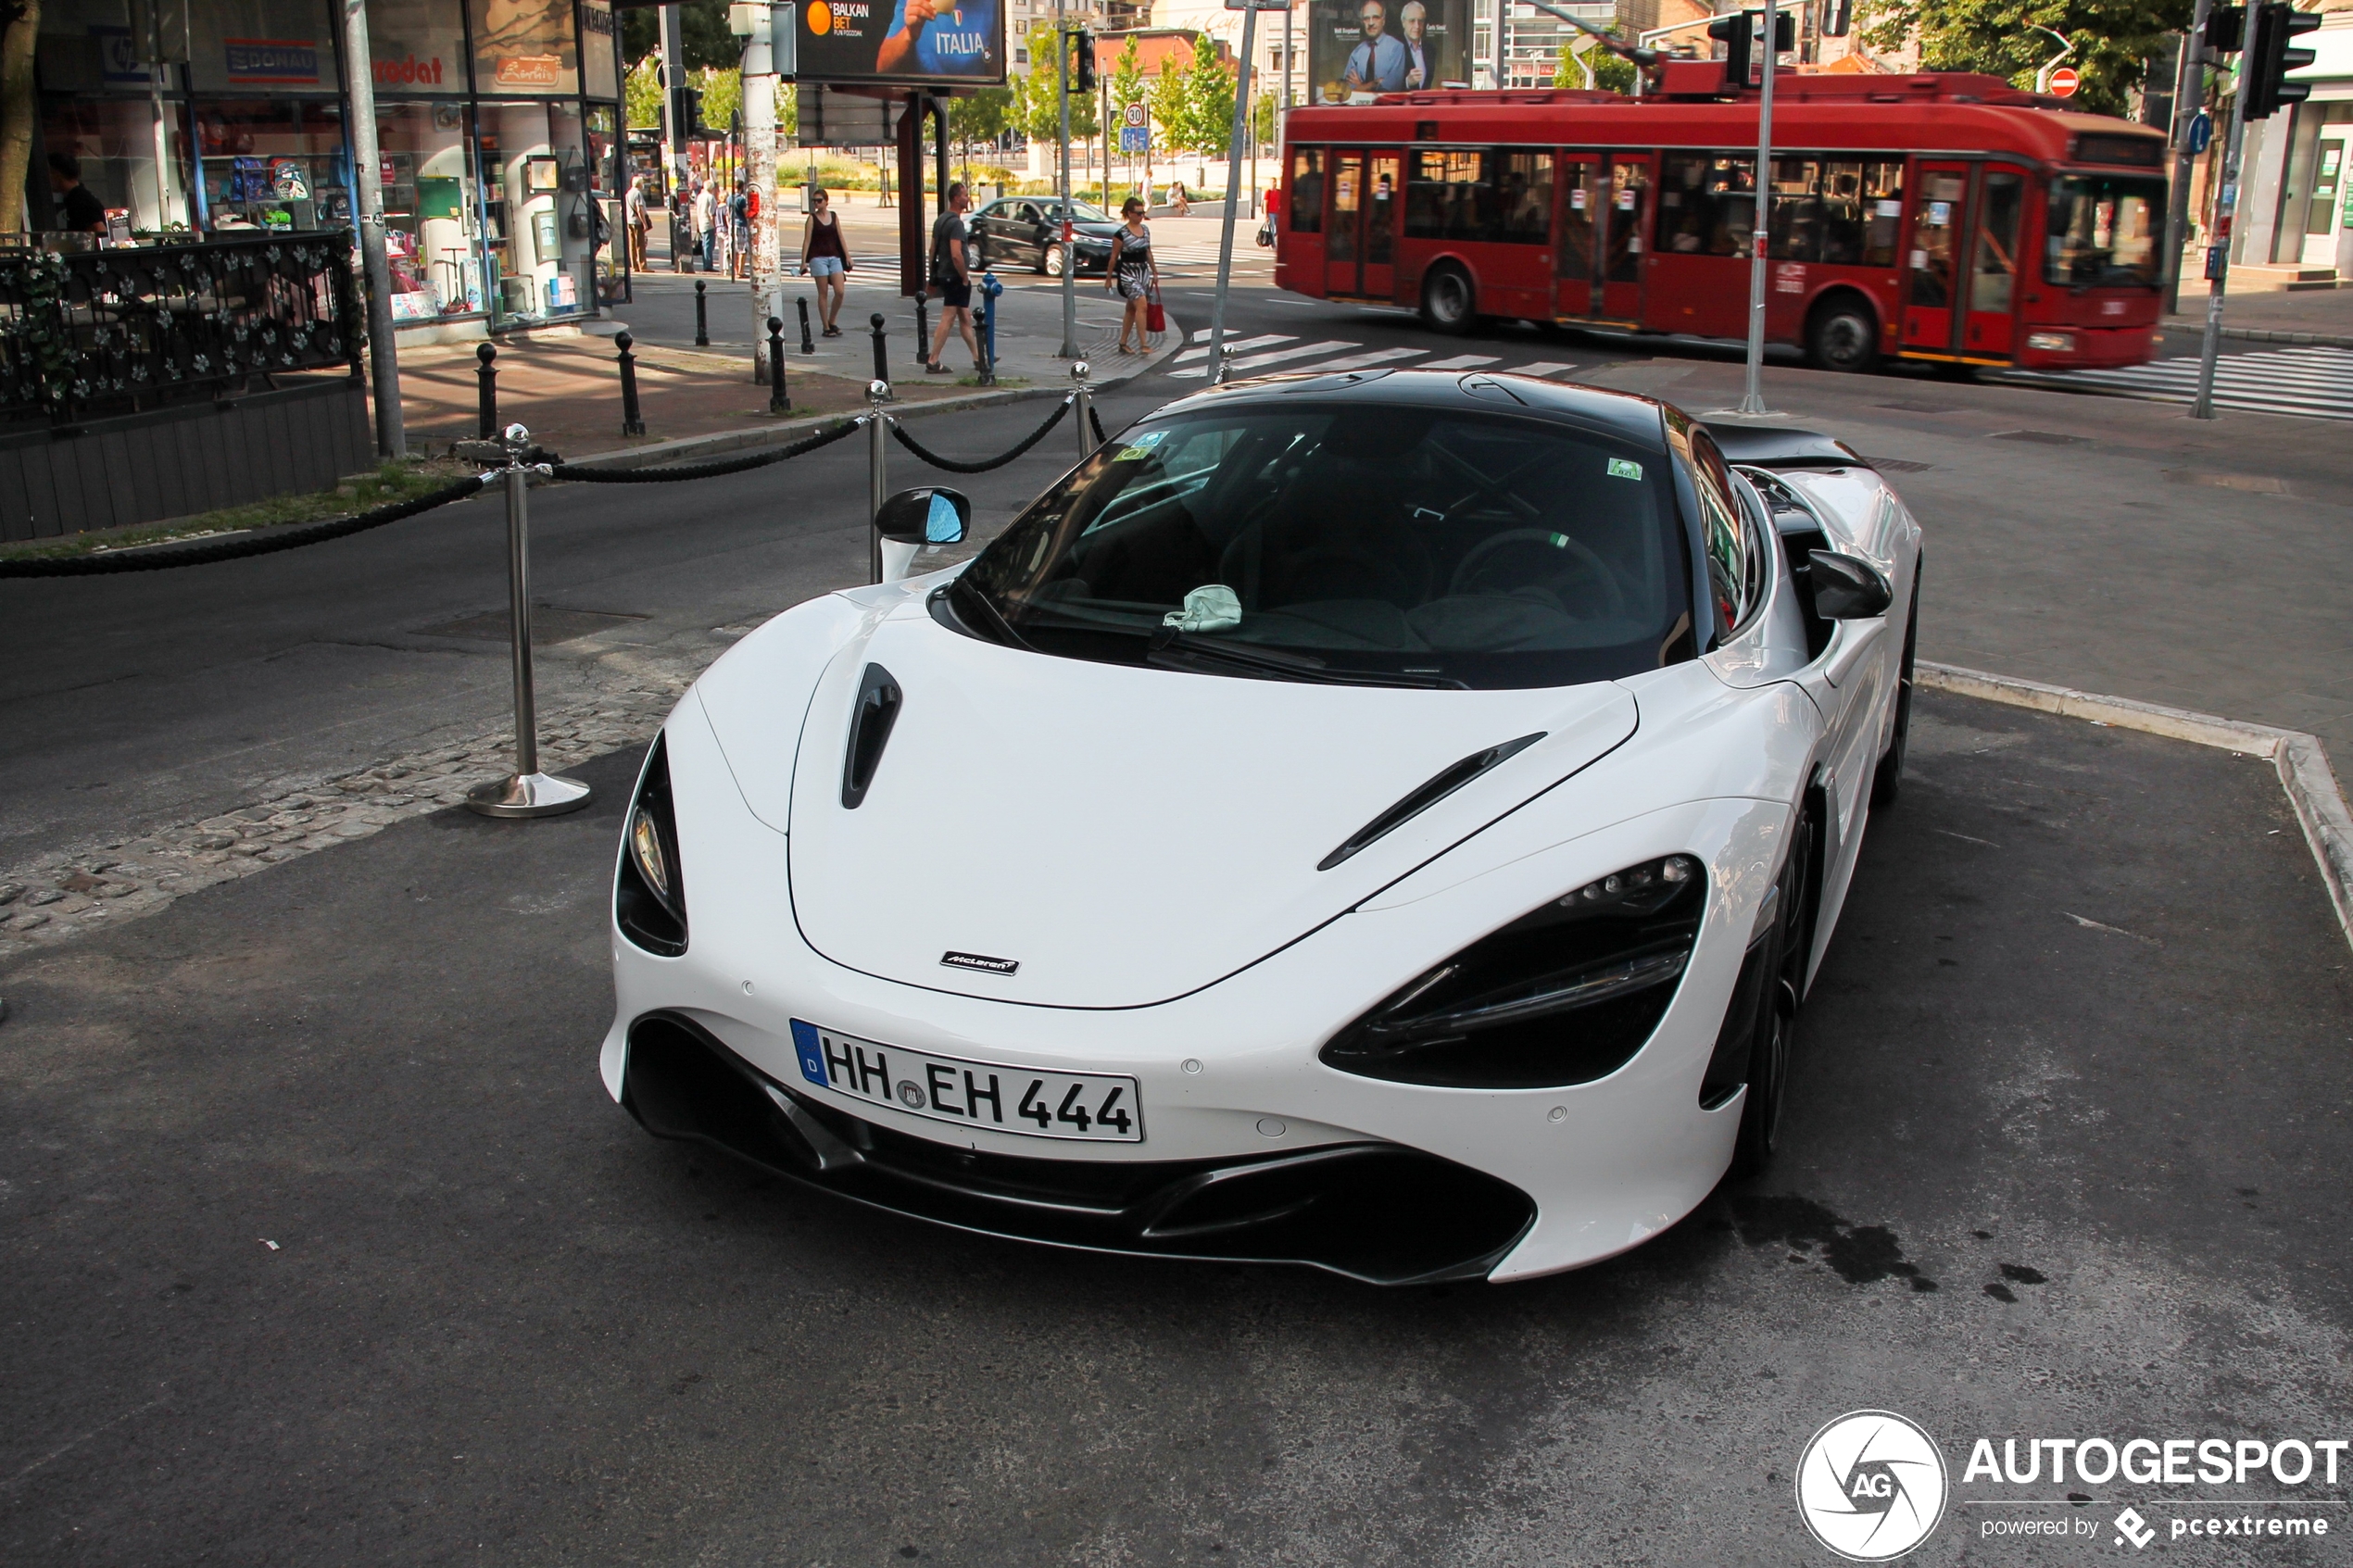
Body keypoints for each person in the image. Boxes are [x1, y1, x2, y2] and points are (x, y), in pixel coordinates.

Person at [924, 181, 981, 375]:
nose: (968, 198)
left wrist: (933, 274)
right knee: (948, 318)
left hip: (945, 274)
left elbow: (932, 249)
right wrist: (964, 276)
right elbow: (957, 254)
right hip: (955, 276)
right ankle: (933, 359)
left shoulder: (941, 220)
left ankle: (978, 357)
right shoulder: (956, 223)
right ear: (957, 198)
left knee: (965, 316)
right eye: (965, 195)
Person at [1105, 195, 1158, 355]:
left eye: (1143, 213)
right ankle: (1144, 344)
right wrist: (1108, 279)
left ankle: (1123, 343)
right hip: (1128, 273)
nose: (1141, 216)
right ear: (1129, 213)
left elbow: (1148, 252)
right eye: (1138, 213)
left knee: (1131, 309)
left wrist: (1154, 271)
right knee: (1142, 306)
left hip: (1143, 272)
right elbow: (1114, 257)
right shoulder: (1121, 234)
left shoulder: (1146, 231)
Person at [799, 186, 853, 336]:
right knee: (823, 293)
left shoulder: (834, 216)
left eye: (819, 200)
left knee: (840, 291)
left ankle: (832, 320)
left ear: (826, 202)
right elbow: (807, 241)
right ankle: (826, 326)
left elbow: (840, 237)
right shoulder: (812, 219)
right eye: (814, 201)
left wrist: (847, 256)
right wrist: (804, 261)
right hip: (818, 258)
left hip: (834, 257)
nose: (816, 203)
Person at [1343, 1, 1409, 94]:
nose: (1371, 23)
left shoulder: (1396, 48)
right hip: (1360, 108)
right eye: (1366, 18)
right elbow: (1347, 90)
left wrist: (1361, 87)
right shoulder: (1356, 53)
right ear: (1363, 22)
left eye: (1375, 17)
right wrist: (1374, 84)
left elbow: (1391, 87)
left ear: (1383, 20)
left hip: (1386, 108)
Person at [47, 154, 106, 234]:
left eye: (48, 173)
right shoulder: (75, 197)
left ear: (56, 173)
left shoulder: (80, 200)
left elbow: (99, 230)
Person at [1399, 1, 1431, 89]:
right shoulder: (1394, 48)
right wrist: (1407, 82)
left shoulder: (1430, 49)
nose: (1417, 26)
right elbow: (1385, 86)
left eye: (1420, 21)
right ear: (1403, 22)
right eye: (1412, 21)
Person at [623, 175, 648, 270]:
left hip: (630, 220)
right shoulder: (638, 193)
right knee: (640, 244)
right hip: (637, 222)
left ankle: (634, 265)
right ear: (640, 184)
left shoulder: (628, 193)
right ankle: (642, 265)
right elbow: (639, 208)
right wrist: (644, 223)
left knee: (632, 244)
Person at [728, 181, 751, 279]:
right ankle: (741, 271)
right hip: (741, 225)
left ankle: (735, 269)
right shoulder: (741, 200)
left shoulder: (729, 198)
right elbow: (746, 213)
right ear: (742, 187)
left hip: (732, 224)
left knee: (734, 249)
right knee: (742, 249)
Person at [692, 180, 717, 271]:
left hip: (701, 222)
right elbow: (712, 213)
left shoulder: (700, 197)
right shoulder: (710, 197)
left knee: (705, 244)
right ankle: (708, 265)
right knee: (709, 245)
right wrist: (715, 225)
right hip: (708, 224)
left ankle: (706, 264)